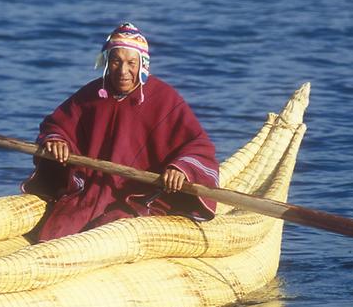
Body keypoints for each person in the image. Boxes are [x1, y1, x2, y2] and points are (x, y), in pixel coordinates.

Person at [21, 22, 219, 242]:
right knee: (55, 234)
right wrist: (57, 141)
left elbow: (199, 145)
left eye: (131, 63)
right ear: (107, 62)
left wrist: (180, 169)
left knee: (108, 234)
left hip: (139, 195)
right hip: (90, 191)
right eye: (116, 61)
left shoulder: (164, 98)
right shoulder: (92, 95)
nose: (123, 71)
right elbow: (56, 125)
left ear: (143, 64)